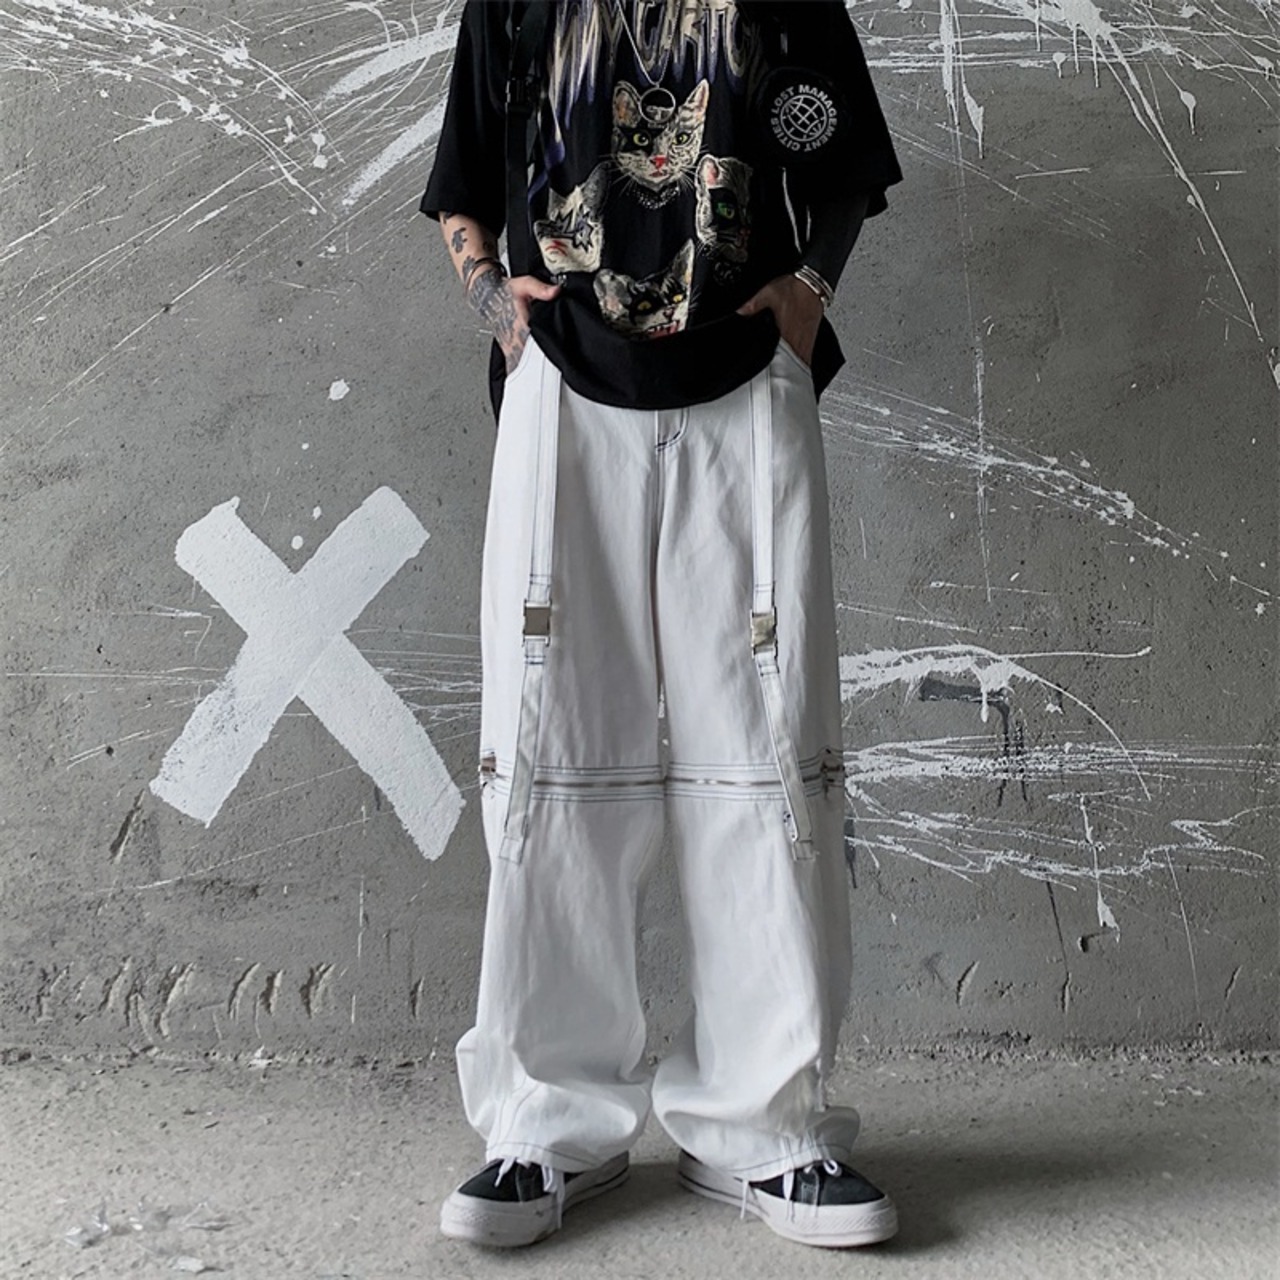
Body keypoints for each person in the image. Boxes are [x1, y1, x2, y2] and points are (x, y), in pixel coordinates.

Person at [420, 0, 902, 1250]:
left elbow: (846, 163)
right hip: (563, 392)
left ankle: (764, 1125)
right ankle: (545, 1122)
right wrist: (499, 310)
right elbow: (461, 182)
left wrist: (807, 291)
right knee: (547, 749)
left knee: (766, 750)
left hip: (741, 386)